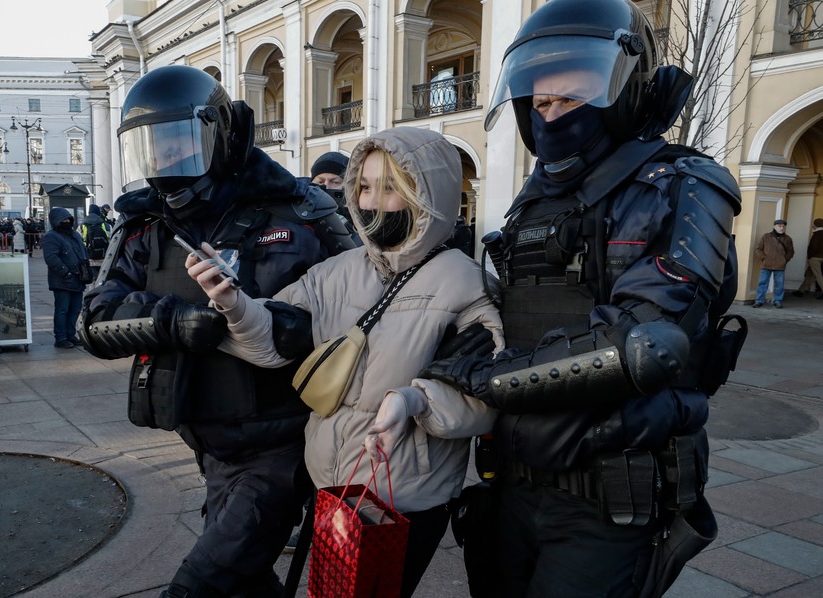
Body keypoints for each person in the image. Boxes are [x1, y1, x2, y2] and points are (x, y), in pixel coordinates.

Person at [421, 0, 744, 596]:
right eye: (540, 102)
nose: (552, 115)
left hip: (608, 492)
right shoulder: (535, 196)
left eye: (571, 97)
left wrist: (493, 379)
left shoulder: (686, 184)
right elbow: (518, 309)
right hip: (514, 479)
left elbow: (648, 345)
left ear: (623, 89)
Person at [187, 126, 504, 597]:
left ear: (427, 194)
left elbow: (483, 394)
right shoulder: (335, 272)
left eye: (393, 187)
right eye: (365, 186)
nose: (374, 201)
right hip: (333, 489)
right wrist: (233, 303)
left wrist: (414, 400)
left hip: (406, 500)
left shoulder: (464, 283)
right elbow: (276, 336)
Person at [77, 65, 356, 598]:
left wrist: (276, 323)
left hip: (285, 440)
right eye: (150, 148)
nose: (163, 163)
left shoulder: (302, 209)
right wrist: (173, 321)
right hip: (207, 439)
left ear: (220, 136)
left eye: (176, 143)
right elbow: (92, 324)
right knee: (245, 580)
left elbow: (363, 311)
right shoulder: (145, 226)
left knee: (198, 586)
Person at [42, 208, 88, 348]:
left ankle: (70, 334)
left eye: (68, 219)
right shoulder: (52, 236)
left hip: (78, 278)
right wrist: (65, 272)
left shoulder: (74, 234)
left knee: (75, 309)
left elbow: (82, 252)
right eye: (63, 220)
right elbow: (51, 258)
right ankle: (61, 337)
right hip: (63, 280)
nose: (67, 222)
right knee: (63, 309)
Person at [754, 219, 794, 308]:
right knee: (762, 283)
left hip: (780, 265)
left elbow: (790, 252)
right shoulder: (766, 236)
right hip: (766, 264)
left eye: (783, 226)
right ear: (774, 226)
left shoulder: (788, 239)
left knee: (779, 285)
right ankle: (759, 301)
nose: (782, 228)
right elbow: (758, 249)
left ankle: (777, 301)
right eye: (779, 226)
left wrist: (784, 260)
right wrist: (763, 258)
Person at [791, 217, 823, 299]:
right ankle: (801, 291)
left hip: (815, 258)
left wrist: (809, 257)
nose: (812, 225)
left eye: (813, 223)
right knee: (809, 274)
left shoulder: (817, 234)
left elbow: (814, 247)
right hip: (820, 258)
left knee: (818, 276)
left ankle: (802, 291)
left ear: (816, 225)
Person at [79, 204, 112, 278]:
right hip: (104, 259)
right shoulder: (106, 225)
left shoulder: (82, 226)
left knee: (93, 282)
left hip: (89, 259)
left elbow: (78, 243)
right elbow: (111, 241)